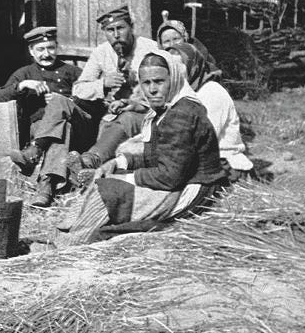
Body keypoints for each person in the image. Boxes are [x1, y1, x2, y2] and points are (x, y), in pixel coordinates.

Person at [58, 50, 227, 244]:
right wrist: (118, 162)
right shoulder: (168, 109)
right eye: (146, 83)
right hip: (179, 181)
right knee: (101, 184)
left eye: (159, 81)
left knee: (106, 192)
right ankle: (65, 236)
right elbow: (159, 155)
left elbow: (169, 177)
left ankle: (70, 246)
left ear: (174, 79)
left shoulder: (182, 113)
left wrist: (124, 177)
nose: (152, 90)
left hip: (192, 191)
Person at [0, 27, 86, 207]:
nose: (46, 54)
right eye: (40, 49)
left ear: (57, 47)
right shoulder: (24, 73)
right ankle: (47, 187)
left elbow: (93, 100)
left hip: (77, 126)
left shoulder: (73, 72)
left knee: (62, 111)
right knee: (62, 130)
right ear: (31, 51)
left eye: (51, 48)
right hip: (40, 127)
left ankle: (35, 152)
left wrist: (68, 100)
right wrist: (21, 86)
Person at [68, 5, 160, 173]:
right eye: (110, 30)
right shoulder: (101, 53)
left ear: (131, 27)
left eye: (121, 28)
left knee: (126, 119)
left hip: (143, 113)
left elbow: (165, 88)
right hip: (111, 114)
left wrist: (136, 102)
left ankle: (90, 161)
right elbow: (79, 89)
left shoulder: (151, 49)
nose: (116, 35)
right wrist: (102, 84)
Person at [168, 42, 253, 181]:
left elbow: (201, 140)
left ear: (192, 65)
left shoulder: (211, 92)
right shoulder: (182, 94)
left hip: (225, 165)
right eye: (170, 67)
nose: (174, 72)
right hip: (198, 161)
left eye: (179, 66)